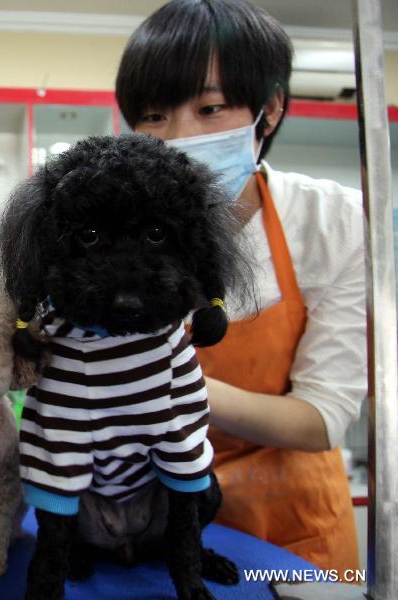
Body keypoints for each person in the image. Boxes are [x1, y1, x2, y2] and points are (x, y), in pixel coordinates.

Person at [115, 0, 365, 572]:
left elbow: (322, 417)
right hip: (144, 526)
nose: (179, 137)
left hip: (289, 533)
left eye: (210, 108)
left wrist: (161, 381)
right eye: (154, 117)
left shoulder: (330, 221)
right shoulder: (108, 229)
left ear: (269, 110)